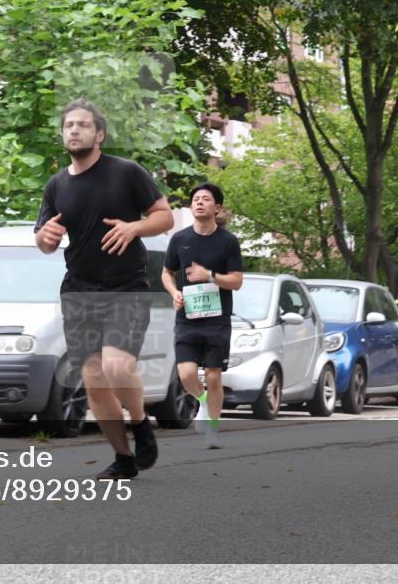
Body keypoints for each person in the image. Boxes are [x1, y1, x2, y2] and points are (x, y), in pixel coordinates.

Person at [35, 98, 174, 479]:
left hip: (125, 286)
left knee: (116, 364)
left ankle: (142, 423)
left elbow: (164, 216)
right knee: (94, 380)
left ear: (99, 134)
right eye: (68, 125)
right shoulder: (56, 185)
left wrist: (133, 228)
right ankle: (123, 458)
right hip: (78, 291)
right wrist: (44, 237)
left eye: (82, 125)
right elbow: (45, 240)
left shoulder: (126, 172)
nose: (74, 130)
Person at [162, 183, 243, 449]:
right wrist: (174, 292)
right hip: (187, 317)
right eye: (195, 199)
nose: (199, 203)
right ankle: (204, 402)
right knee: (186, 375)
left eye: (205, 199)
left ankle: (213, 429)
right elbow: (167, 273)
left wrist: (208, 276)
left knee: (213, 375)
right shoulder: (179, 239)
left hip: (217, 319)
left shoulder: (228, 242)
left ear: (216, 208)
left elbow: (236, 281)